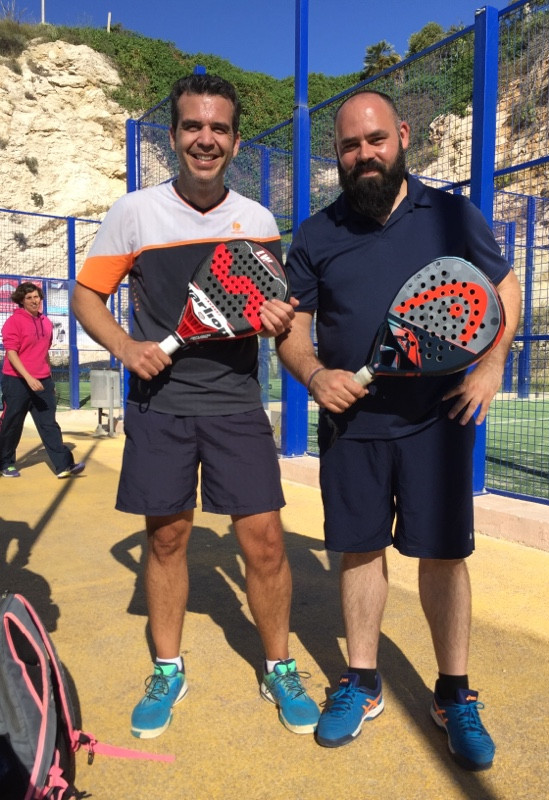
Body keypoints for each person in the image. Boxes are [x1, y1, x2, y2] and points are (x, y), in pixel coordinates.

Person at [276, 90, 521, 770]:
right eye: (351, 145)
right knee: (358, 552)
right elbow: (294, 328)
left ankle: (454, 693)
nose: (365, 154)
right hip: (352, 426)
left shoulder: (451, 214)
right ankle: (362, 683)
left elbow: (502, 289)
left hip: (438, 421)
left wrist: (492, 364)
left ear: (403, 136)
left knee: (443, 556)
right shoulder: (316, 233)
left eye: (376, 139)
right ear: (338, 154)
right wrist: (314, 374)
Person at [71, 73, 319, 740]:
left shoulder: (257, 221)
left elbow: (264, 302)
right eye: (192, 126)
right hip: (162, 405)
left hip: (236, 404)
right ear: (174, 135)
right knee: (168, 538)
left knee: (265, 544)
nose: (205, 139)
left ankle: (279, 666)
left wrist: (273, 319)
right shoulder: (133, 213)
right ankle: (168, 668)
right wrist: (126, 347)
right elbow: (87, 296)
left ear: (235, 141)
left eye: (218, 128)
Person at [0, 282, 85, 479]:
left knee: (49, 423)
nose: (33, 301)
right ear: (21, 301)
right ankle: (5, 463)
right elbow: (11, 353)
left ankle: (64, 465)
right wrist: (28, 378)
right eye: (29, 298)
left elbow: (44, 352)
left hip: (42, 381)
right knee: (12, 423)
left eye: (36, 297)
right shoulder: (13, 322)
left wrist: (49, 380)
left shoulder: (46, 323)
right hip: (17, 381)